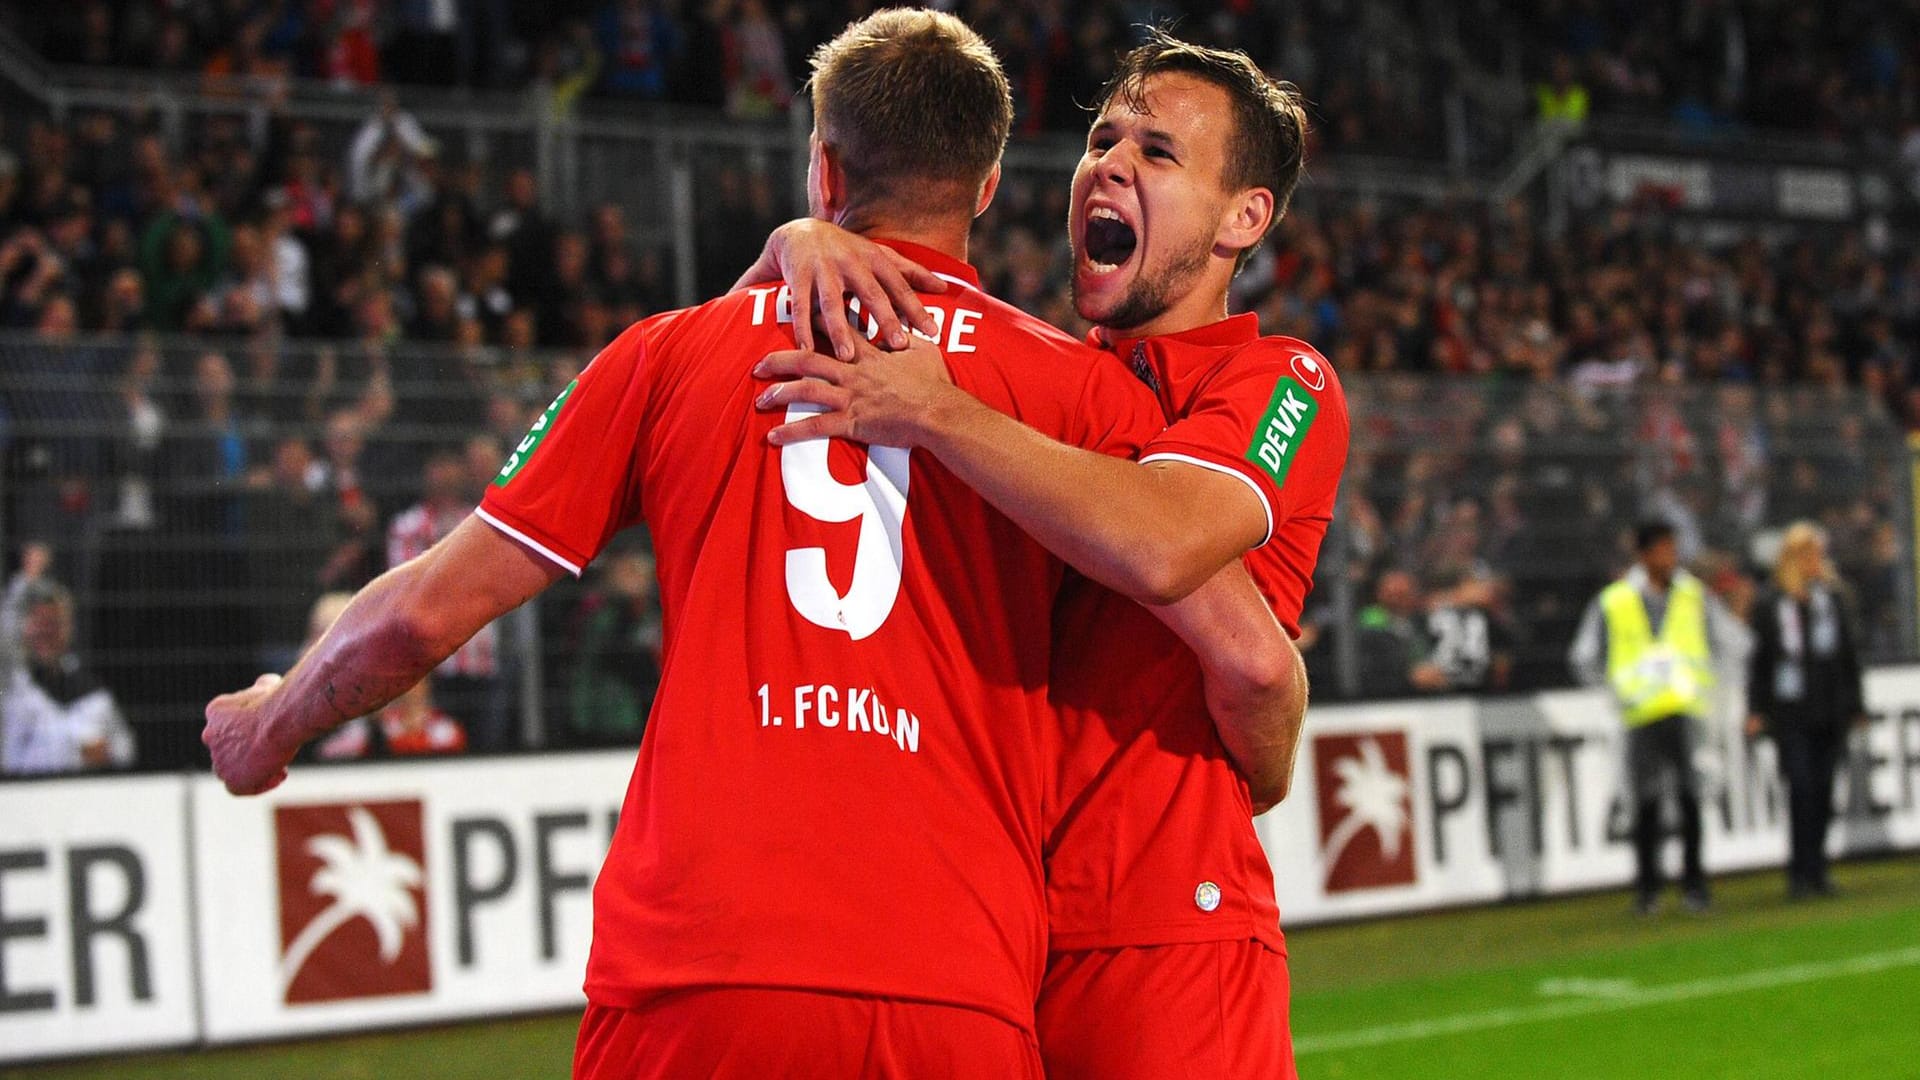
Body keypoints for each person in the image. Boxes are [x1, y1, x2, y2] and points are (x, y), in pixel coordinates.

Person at [203, 11, 1296, 1076]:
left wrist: (275, 720)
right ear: (989, 187)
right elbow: (1239, 647)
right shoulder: (1077, 394)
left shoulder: (668, 354)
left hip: (695, 974)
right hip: (956, 985)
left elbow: (423, 614)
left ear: (824, 172)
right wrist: (1263, 773)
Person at [745, 29, 1342, 1078]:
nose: (1107, 162)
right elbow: (1251, 667)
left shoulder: (1281, 383)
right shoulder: (1046, 383)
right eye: (1102, 138)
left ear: (1243, 217)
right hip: (987, 932)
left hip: (1162, 925)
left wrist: (940, 415)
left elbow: (1165, 547)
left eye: (1157, 152)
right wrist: (806, 232)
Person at [1570, 520, 1744, 914]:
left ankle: (1694, 885)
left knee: (1690, 799)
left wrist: (1713, 688)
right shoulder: (1614, 601)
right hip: (1640, 714)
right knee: (1645, 803)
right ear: (1644, 554)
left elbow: (1731, 642)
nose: (1672, 556)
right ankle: (1648, 888)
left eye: (1673, 547)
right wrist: (1616, 694)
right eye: (1664, 549)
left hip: (1686, 710)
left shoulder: (1693, 595)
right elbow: (1584, 657)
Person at [1746, 522, 1866, 899]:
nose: (1816, 561)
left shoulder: (1832, 598)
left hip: (1829, 709)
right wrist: (1756, 709)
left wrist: (1856, 705)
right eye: (1808, 554)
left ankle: (1818, 868)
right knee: (1801, 787)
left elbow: (1848, 656)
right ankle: (1799, 871)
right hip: (1791, 712)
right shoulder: (1771, 604)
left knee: (1826, 790)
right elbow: (1760, 663)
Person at [2, 546, 136, 775]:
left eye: (53, 623)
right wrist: (27, 580)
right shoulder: (13, 683)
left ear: (68, 629)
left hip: (78, 797)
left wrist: (103, 754)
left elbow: (124, 751)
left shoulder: (92, 694)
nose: (45, 631)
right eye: (39, 622)